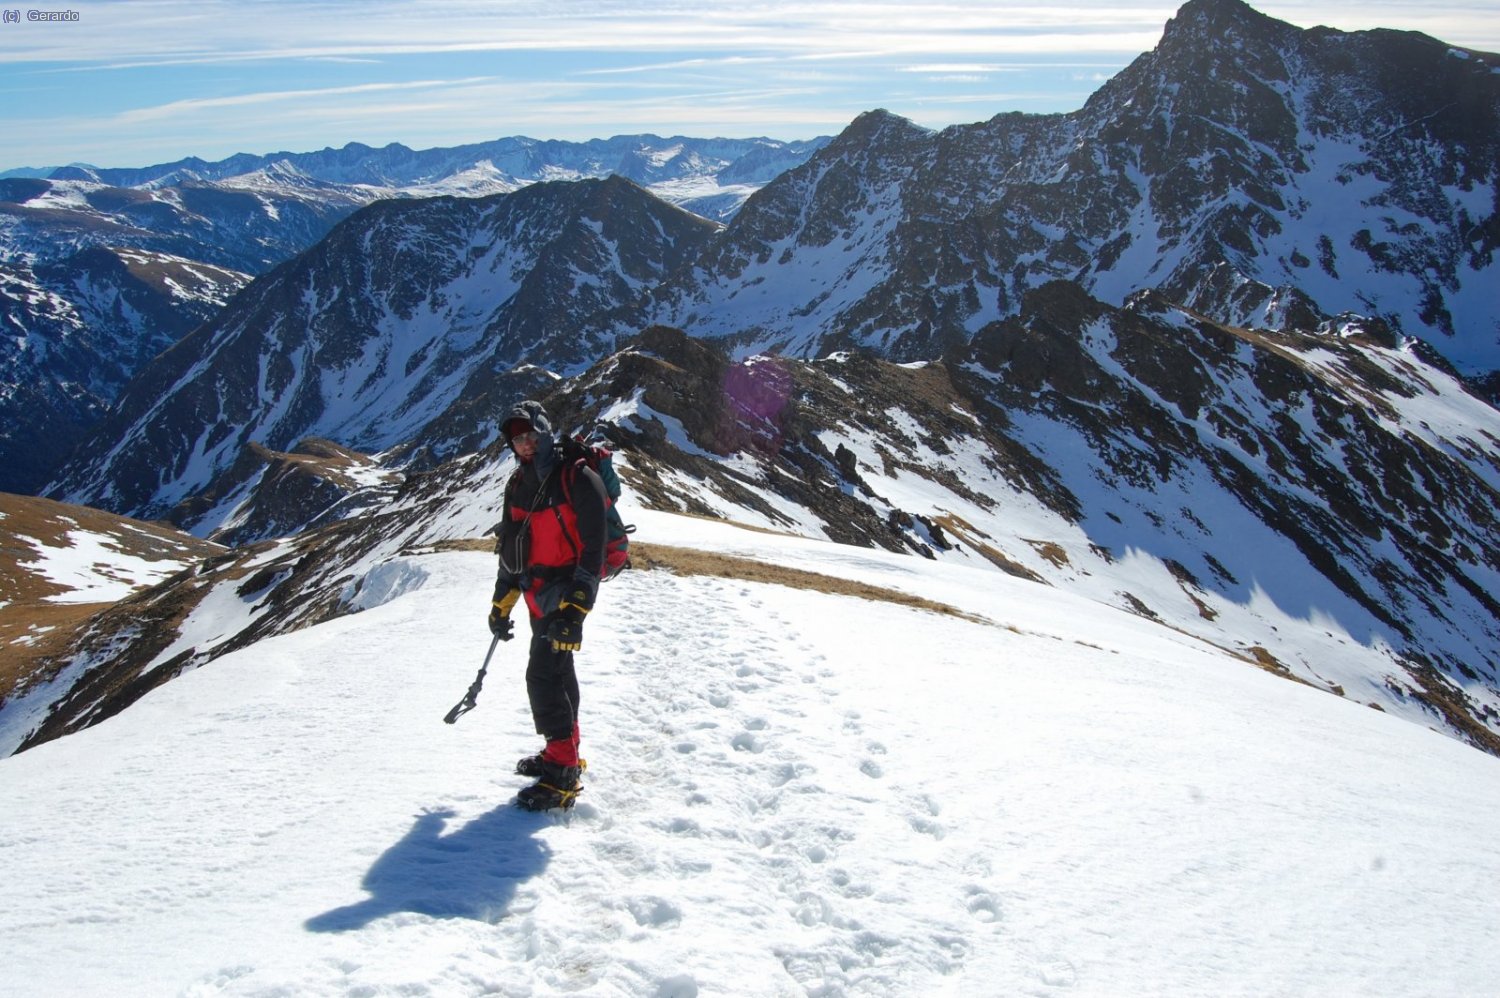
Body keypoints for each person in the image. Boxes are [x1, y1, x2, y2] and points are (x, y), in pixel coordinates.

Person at [488, 400, 608, 811]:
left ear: (543, 431)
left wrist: (578, 607)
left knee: (543, 677)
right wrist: (500, 603)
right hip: (534, 593)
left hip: (566, 591)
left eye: (529, 435)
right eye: (515, 438)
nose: (523, 444)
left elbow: (595, 546)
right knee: (558, 673)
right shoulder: (518, 485)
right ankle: (564, 752)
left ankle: (562, 776)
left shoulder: (576, 476)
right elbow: (512, 547)